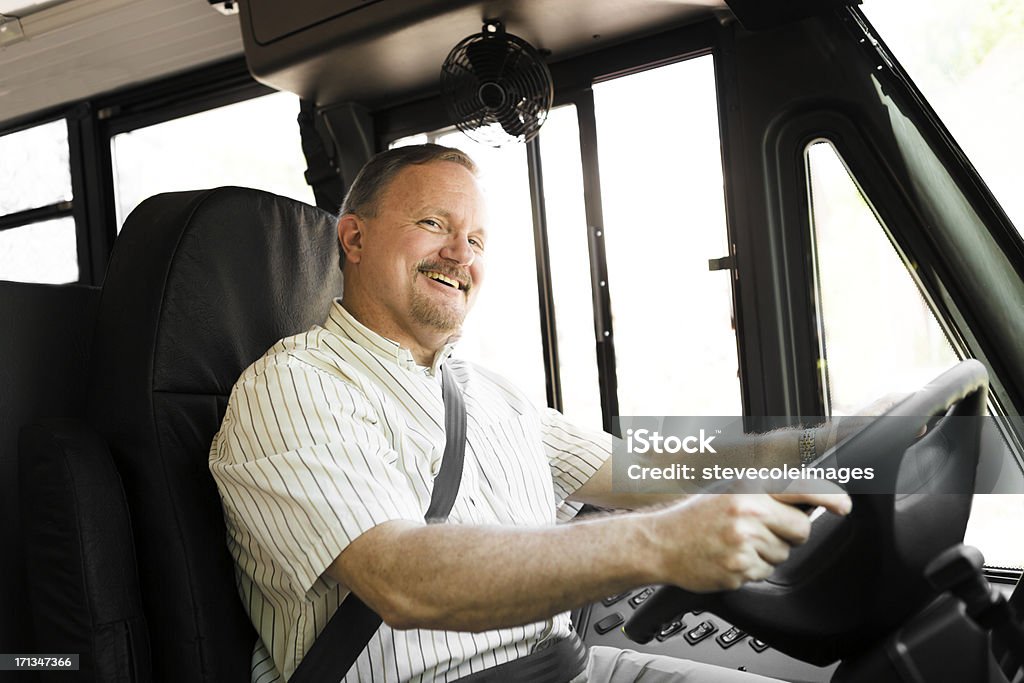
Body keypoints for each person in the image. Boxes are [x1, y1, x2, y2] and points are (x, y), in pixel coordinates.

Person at [208, 143, 851, 683]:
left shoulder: (489, 392)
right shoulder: (295, 387)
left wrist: (822, 444)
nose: (461, 254)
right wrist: (664, 541)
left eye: (477, 238)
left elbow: (642, 467)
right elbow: (401, 577)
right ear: (354, 236)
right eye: (434, 224)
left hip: (571, 667)